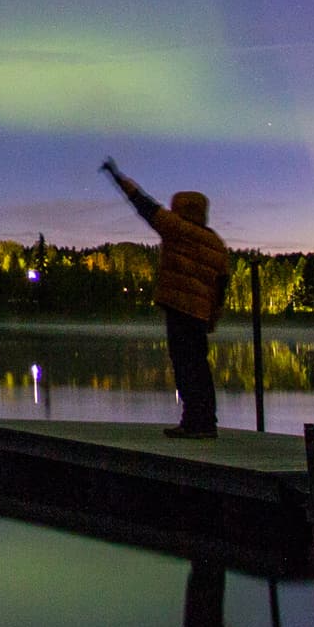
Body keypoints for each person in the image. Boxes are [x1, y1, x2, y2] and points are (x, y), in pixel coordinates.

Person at [103, 156, 231, 438]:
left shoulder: (176, 228)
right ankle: (203, 421)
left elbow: (144, 205)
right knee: (199, 365)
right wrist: (213, 314)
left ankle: (195, 423)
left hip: (180, 308)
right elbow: (222, 282)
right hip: (199, 313)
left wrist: (117, 177)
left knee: (185, 365)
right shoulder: (215, 243)